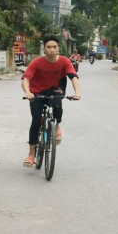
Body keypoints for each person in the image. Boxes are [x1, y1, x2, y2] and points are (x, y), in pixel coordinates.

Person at [22, 35, 80, 167]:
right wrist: (28, 92)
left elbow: (73, 77)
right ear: (44, 49)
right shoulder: (37, 62)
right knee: (36, 121)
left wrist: (77, 93)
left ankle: (56, 125)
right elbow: (25, 79)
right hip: (37, 92)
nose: (52, 50)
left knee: (57, 106)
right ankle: (31, 154)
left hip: (56, 90)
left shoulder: (65, 61)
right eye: (49, 47)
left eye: (54, 47)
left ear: (58, 48)